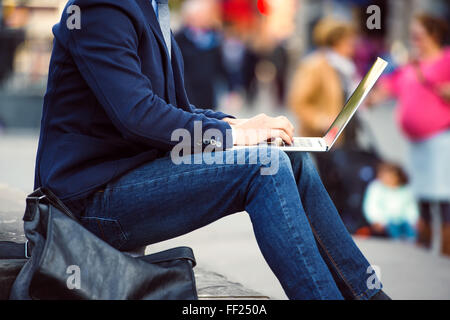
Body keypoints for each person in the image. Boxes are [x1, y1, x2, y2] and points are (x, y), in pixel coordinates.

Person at [33, 0, 389, 300]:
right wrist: (233, 137)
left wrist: (244, 126)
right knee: (264, 167)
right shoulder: (101, 7)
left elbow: (177, 108)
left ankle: (369, 295)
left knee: (290, 156)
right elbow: (137, 115)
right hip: (85, 203)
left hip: (128, 178)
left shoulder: (149, 8)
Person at [370, 14, 450, 255]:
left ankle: (445, 249)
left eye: (419, 34)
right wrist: (371, 97)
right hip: (417, 143)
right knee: (421, 194)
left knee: (444, 195)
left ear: (433, 34)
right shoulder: (411, 63)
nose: (416, 39)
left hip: (440, 138)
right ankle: (425, 247)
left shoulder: (445, 59)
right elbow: (392, 87)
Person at [174, 0, 223, 109]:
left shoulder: (214, 36)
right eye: (200, 15)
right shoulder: (179, 38)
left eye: (206, 14)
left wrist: (233, 87)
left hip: (208, 93)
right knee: (194, 124)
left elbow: (220, 64)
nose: (204, 18)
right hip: (188, 93)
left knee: (209, 122)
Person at [363, 162, 419, 241]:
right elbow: (371, 206)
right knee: (393, 231)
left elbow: (410, 207)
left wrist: (413, 220)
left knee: (410, 232)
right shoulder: (376, 188)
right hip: (386, 221)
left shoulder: (405, 190)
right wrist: (376, 220)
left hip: (403, 220)